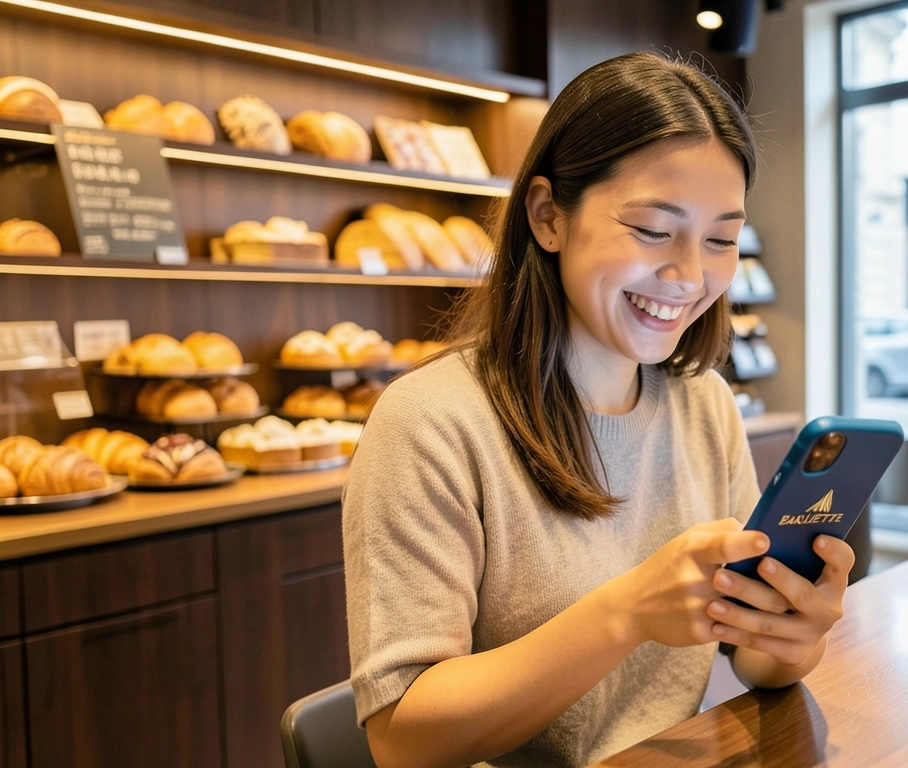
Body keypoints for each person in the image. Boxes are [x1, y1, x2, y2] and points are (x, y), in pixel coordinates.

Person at [342, 53, 853, 768]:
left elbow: (750, 658)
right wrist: (627, 612)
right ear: (549, 216)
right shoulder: (431, 422)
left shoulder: (703, 403)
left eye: (721, 240)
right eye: (652, 229)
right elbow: (404, 739)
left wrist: (791, 637)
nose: (688, 275)